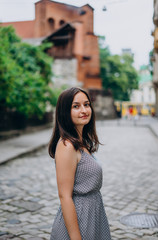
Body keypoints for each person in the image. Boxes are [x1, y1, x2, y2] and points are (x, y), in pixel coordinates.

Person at [48, 87, 111, 240]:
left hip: (93, 214)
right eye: (76, 106)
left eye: (86, 104)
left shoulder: (82, 143)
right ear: (65, 112)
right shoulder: (66, 145)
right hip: (80, 218)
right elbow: (65, 196)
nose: (84, 110)